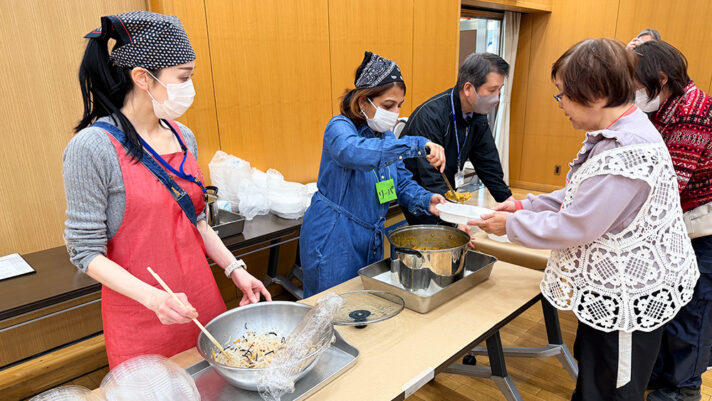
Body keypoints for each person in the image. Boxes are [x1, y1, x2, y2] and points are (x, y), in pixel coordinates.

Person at [473, 38, 698, 401]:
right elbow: (581, 194)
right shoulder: (615, 133)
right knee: (594, 376)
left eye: (563, 94)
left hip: (627, 292)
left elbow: (577, 225)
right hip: (613, 287)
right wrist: (524, 207)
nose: (560, 103)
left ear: (595, 93)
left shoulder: (628, 149)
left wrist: (509, 226)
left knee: (610, 389)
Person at [63, 11, 271, 368]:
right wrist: (154, 299)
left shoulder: (182, 135)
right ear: (142, 78)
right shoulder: (92, 147)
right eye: (183, 77)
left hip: (200, 302)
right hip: (142, 315)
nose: (190, 88)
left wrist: (235, 269)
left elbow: (197, 221)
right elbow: (85, 253)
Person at [299, 52, 448, 297]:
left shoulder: (385, 136)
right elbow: (356, 152)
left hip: (370, 236)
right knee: (330, 308)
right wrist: (417, 144)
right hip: (334, 236)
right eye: (388, 106)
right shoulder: (339, 128)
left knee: (363, 305)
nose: (395, 112)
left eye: (399, 105)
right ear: (363, 101)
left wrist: (425, 199)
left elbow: (400, 182)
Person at [633, 40, 712, 401]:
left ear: (660, 78)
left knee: (694, 312)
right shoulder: (665, 108)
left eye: (635, 84)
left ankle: (683, 389)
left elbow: (671, 182)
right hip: (683, 221)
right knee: (671, 306)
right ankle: (664, 374)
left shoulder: (693, 110)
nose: (632, 92)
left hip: (703, 225)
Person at [400, 53, 513, 227]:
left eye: (500, 89)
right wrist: (455, 221)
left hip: (446, 191)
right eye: (492, 90)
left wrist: (507, 200)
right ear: (468, 89)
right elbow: (430, 178)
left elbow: (487, 161)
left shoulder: (477, 114)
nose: (497, 97)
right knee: (439, 238)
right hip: (420, 194)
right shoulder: (430, 116)